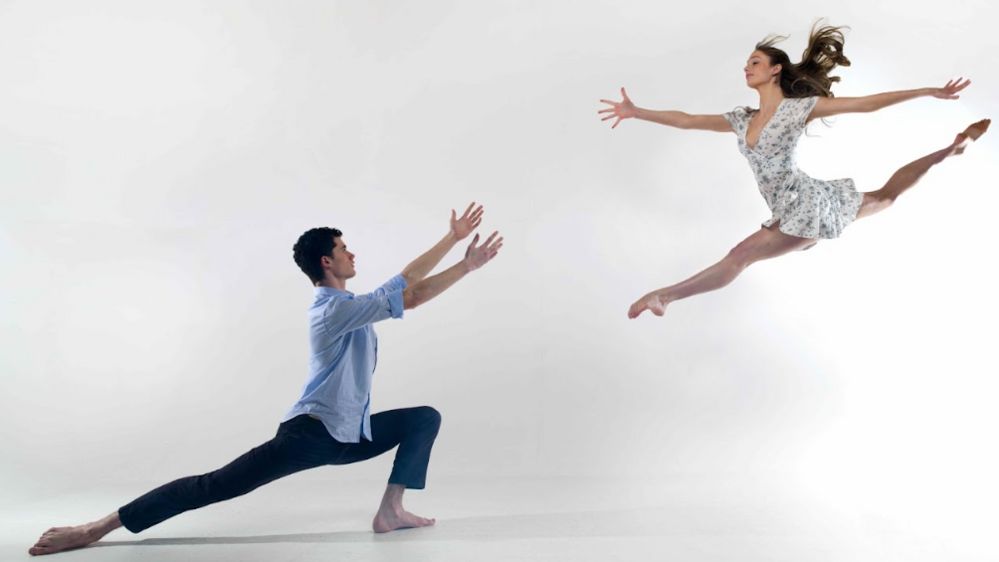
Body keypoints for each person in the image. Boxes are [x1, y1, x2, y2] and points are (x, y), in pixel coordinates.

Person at [28, 202, 503, 556]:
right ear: (326, 262)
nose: (351, 252)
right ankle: (95, 529)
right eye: (343, 248)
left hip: (348, 435)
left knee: (422, 418)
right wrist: (467, 264)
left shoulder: (351, 306)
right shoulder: (334, 310)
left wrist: (451, 238)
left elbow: (403, 280)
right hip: (309, 437)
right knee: (212, 486)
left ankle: (390, 511)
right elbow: (414, 296)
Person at [598, 22, 990, 319]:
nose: (746, 68)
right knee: (884, 197)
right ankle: (952, 150)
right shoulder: (742, 118)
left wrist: (928, 91)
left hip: (805, 206)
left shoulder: (799, 109)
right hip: (803, 200)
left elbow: (868, 103)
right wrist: (637, 112)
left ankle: (664, 296)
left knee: (742, 254)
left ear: (775, 70)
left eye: (754, 62)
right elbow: (686, 120)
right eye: (746, 63)